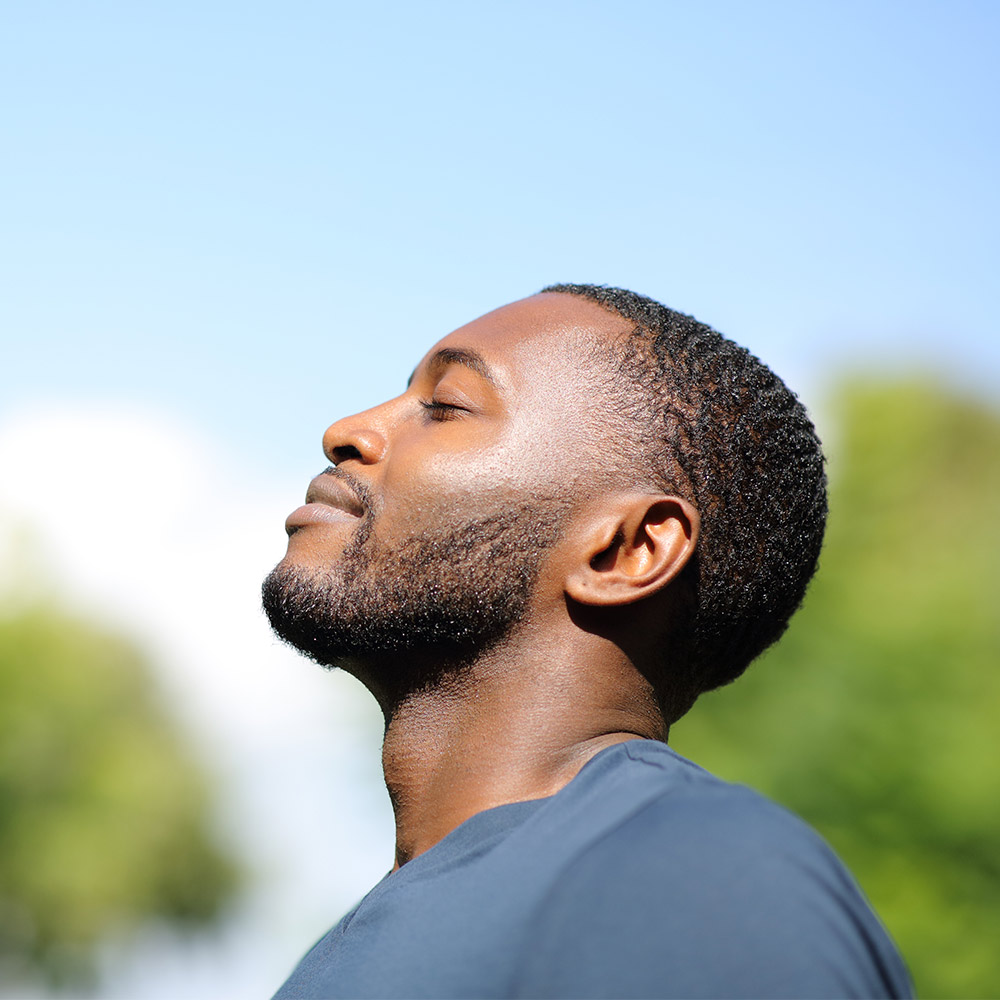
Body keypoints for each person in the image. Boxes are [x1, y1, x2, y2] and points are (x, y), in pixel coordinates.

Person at [262, 284, 912, 999]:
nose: (347, 431)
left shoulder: (706, 880)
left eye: (446, 405)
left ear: (627, 552)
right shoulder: (341, 954)